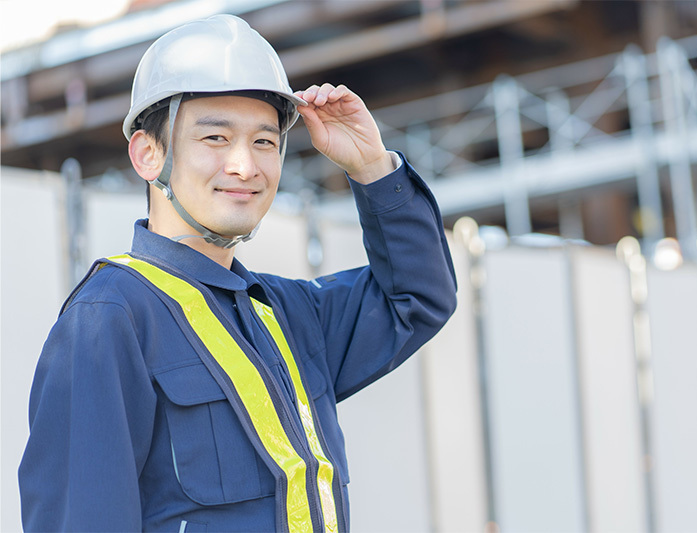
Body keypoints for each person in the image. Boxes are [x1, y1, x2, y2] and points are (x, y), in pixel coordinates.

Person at [19, 14, 456, 532]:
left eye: (265, 143)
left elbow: (418, 296)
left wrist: (371, 168)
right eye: (215, 138)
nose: (245, 166)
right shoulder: (108, 321)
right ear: (147, 153)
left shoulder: (291, 316)